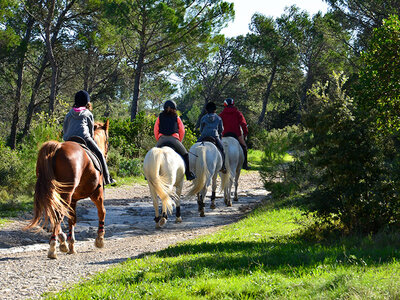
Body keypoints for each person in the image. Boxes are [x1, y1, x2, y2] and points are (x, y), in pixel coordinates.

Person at [63, 90, 115, 185]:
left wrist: (66, 138)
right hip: (84, 139)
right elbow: (91, 131)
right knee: (99, 154)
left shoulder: (69, 113)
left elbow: (65, 129)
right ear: (87, 103)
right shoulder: (88, 113)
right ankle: (107, 178)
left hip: (69, 140)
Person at [154, 100, 196, 180]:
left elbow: (156, 129)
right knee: (185, 154)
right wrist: (179, 140)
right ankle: (188, 174)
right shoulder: (176, 117)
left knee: (153, 154)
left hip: (162, 139)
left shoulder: (160, 117)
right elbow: (182, 130)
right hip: (174, 139)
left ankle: (149, 174)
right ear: (174, 108)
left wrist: (159, 139)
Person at [219, 98, 249, 169]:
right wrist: (245, 133)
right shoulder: (238, 113)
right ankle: (245, 164)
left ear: (225, 104)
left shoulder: (221, 114)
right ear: (233, 104)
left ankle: (220, 164)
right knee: (244, 147)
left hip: (224, 134)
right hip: (236, 134)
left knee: (218, 147)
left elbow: (218, 125)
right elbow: (243, 124)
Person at [198, 101, 226, 173]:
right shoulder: (218, 118)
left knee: (194, 147)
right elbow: (221, 129)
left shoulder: (203, 118)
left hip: (204, 136)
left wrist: (204, 133)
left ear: (206, 110)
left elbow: (201, 129)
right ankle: (223, 166)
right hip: (215, 136)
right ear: (215, 110)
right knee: (222, 149)